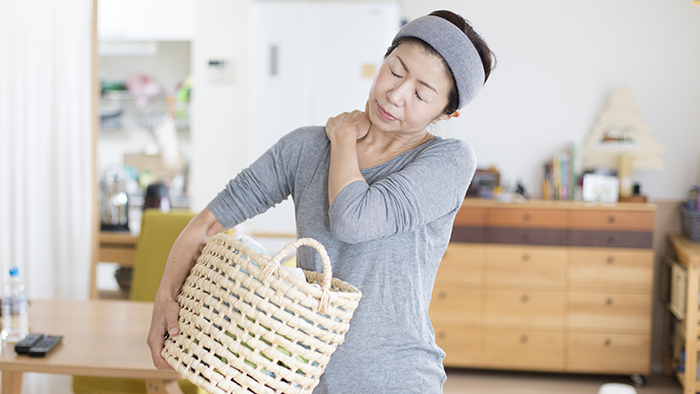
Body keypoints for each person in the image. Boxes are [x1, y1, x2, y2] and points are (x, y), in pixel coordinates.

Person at [147, 9, 495, 393]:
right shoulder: (306, 147)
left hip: (395, 379)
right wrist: (165, 297)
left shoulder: (449, 161)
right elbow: (208, 223)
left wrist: (345, 137)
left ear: (448, 112)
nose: (395, 95)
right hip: (302, 376)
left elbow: (353, 219)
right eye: (395, 71)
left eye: (421, 93)